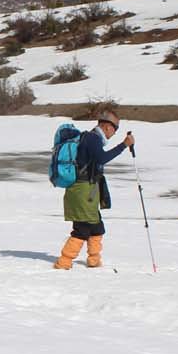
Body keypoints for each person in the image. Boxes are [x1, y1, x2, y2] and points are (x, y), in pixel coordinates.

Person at [54, 109, 134, 269]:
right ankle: (63, 262)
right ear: (107, 126)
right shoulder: (93, 139)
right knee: (81, 229)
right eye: (115, 128)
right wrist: (124, 145)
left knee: (97, 227)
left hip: (86, 190)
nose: (114, 132)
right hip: (82, 190)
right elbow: (102, 159)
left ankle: (94, 259)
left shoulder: (90, 137)